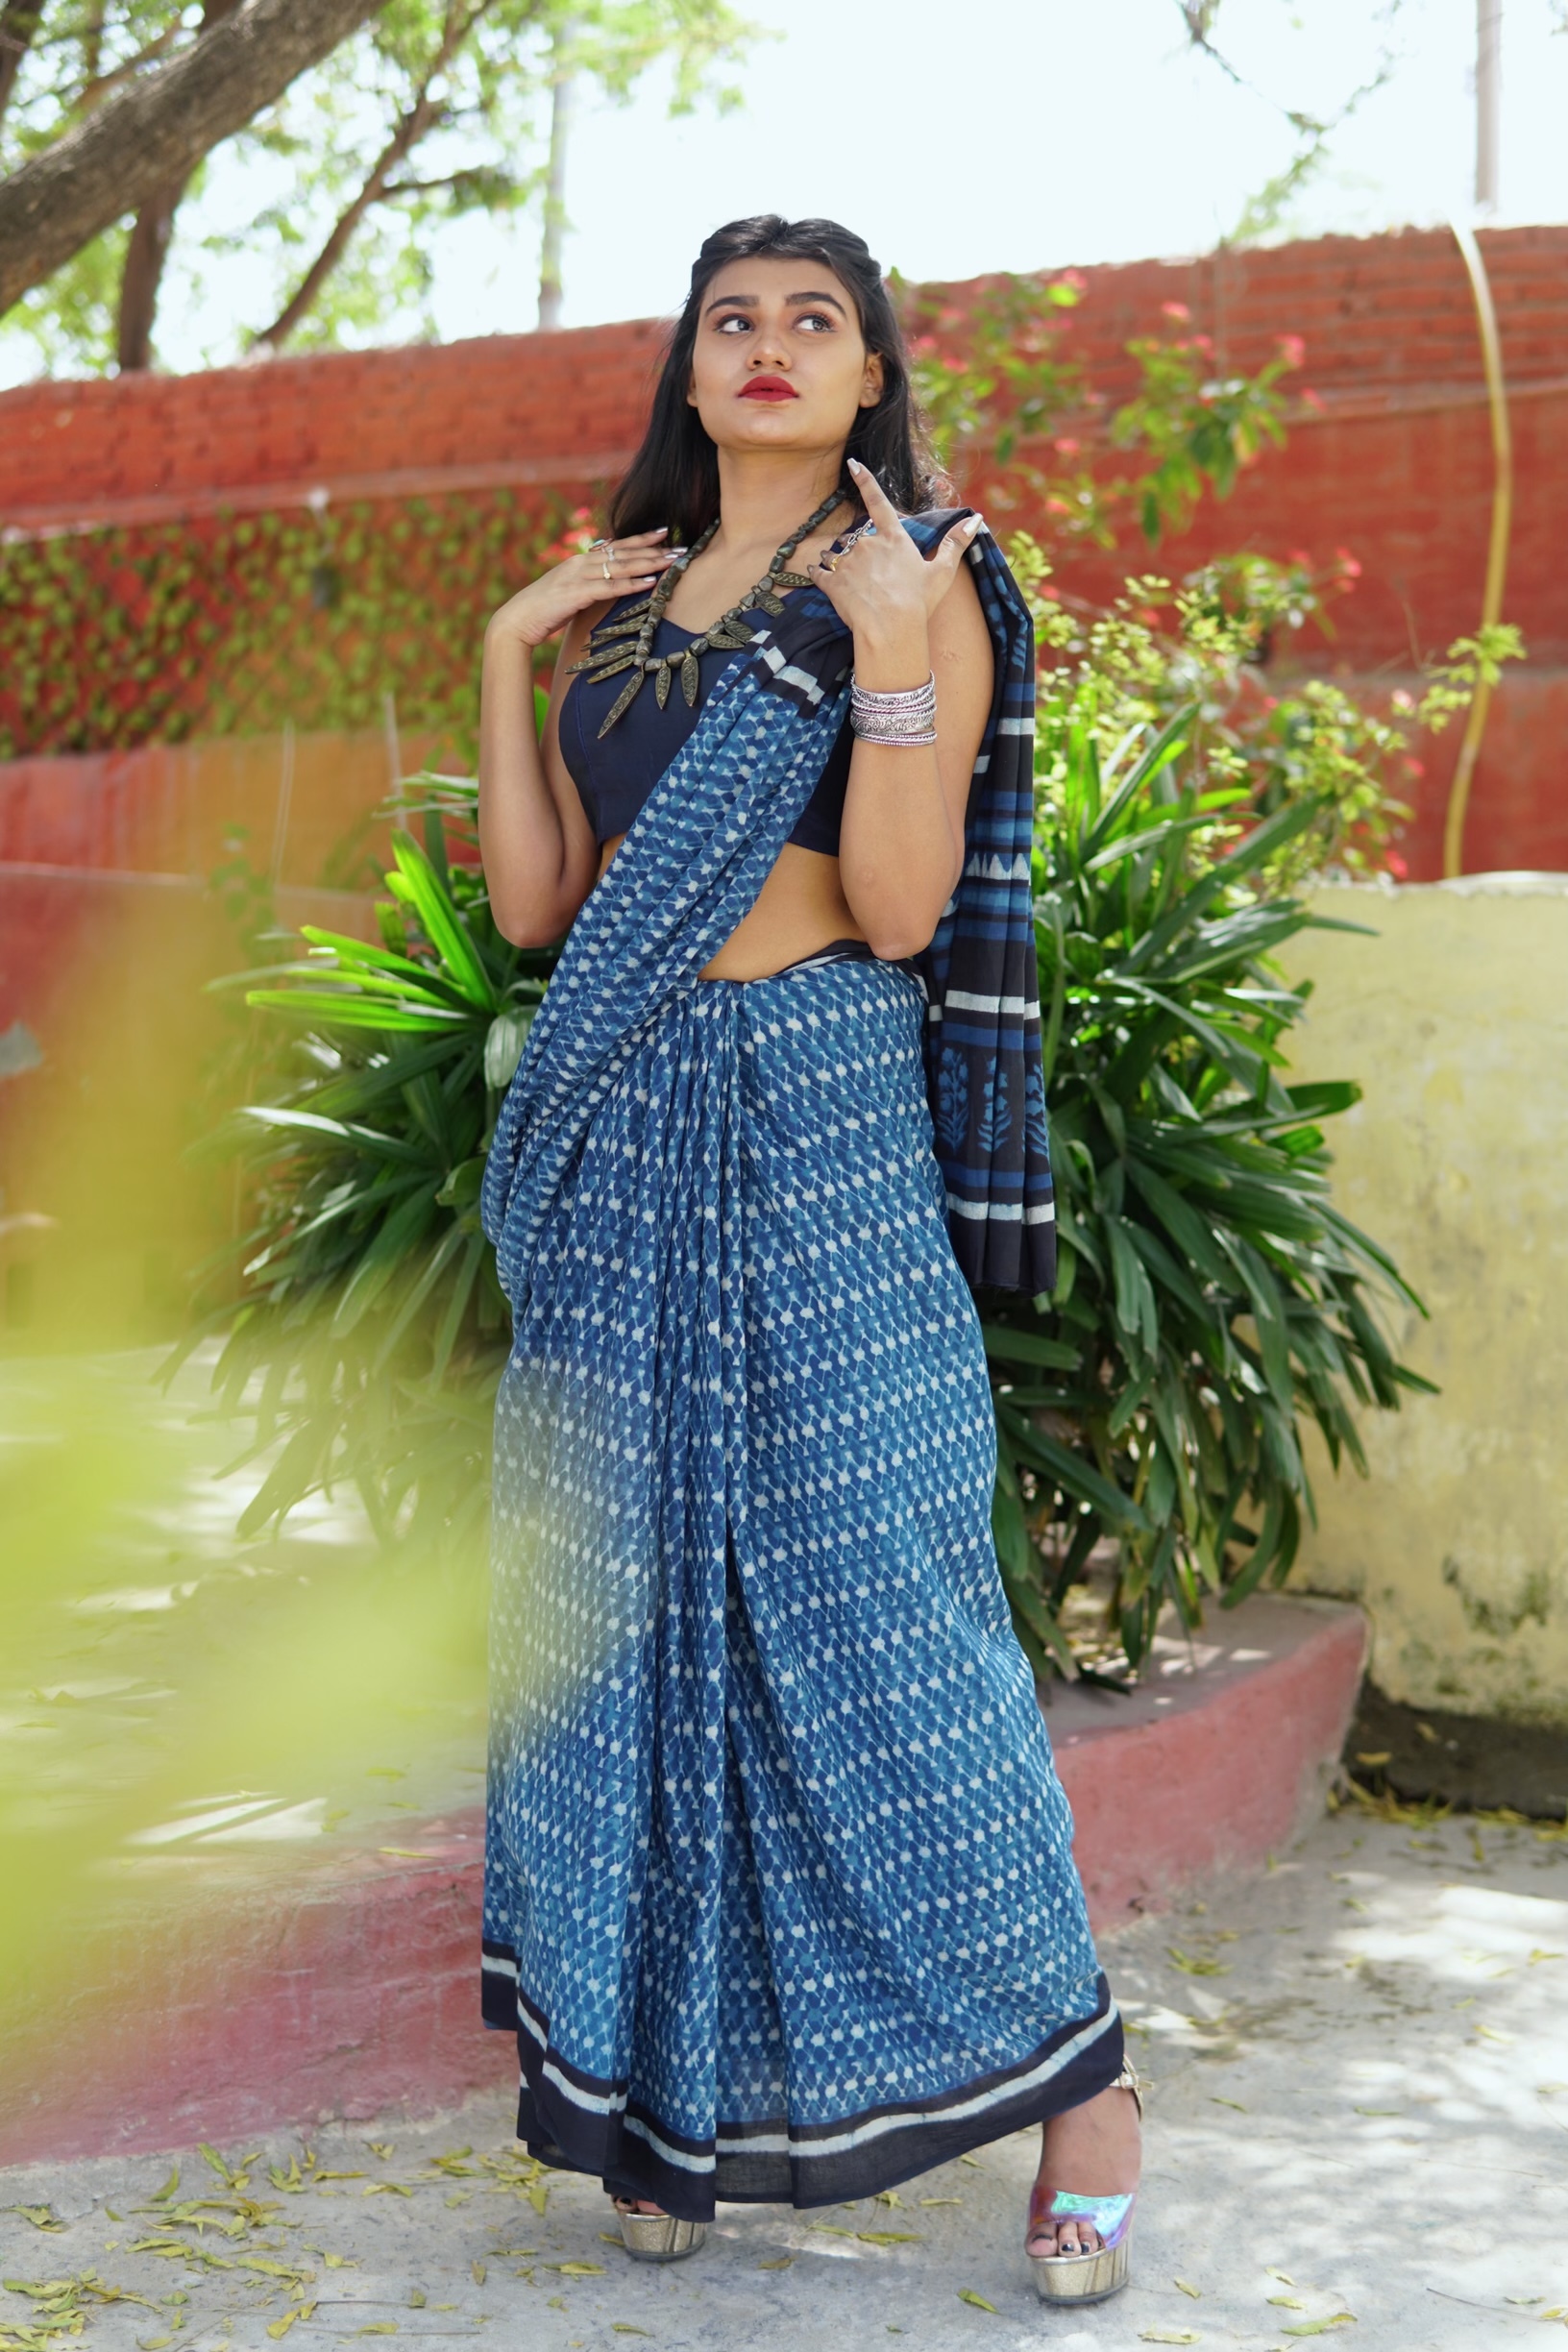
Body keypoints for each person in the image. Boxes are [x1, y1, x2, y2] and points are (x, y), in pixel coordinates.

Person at [475, 213, 1142, 2306]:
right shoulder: (626, 610)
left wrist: (895, 656)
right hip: (621, 1126)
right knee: (621, 1616)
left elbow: (902, 903)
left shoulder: (910, 577)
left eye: (814, 321)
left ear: (869, 376)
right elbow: (539, 911)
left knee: (885, 1602)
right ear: (690, 373)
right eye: (732, 320)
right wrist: (506, 652)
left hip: (818, 1110)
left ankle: (1089, 2098)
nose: (768, 346)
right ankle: (652, 2102)